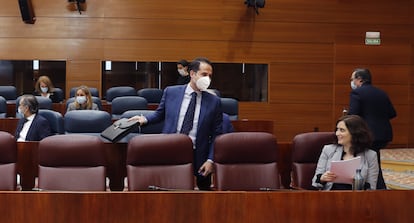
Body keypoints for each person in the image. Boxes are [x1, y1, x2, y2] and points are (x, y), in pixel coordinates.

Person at [129, 57, 223, 190]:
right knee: (166, 187)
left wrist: (210, 160)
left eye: (210, 76)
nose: (207, 79)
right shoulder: (171, 92)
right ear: (192, 74)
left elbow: (217, 134)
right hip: (170, 147)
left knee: (203, 194)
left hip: (199, 154)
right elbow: (159, 114)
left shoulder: (214, 101)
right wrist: (144, 119)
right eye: (204, 74)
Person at [348, 68, 396, 189]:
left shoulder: (357, 93)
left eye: (352, 79)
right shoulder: (381, 93)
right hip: (384, 134)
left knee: (365, 161)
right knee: (373, 160)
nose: (352, 82)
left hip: (367, 134)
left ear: (359, 79)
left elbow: (353, 115)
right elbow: (392, 113)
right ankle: (379, 186)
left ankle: (373, 187)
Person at [312, 115, 379, 190]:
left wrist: (358, 181)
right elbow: (315, 182)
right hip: (330, 196)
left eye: (342, 130)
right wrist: (322, 178)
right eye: (337, 129)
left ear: (355, 133)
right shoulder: (328, 150)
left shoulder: (370, 155)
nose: (337, 133)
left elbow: (372, 188)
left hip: (356, 198)